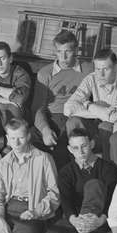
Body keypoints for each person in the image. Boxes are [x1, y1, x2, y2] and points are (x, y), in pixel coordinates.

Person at [33, 30, 92, 166]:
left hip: (77, 116)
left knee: (63, 146)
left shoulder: (89, 69)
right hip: (52, 116)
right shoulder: (45, 73)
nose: (63, 57)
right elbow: (37, 108)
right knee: (30, 139)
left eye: (68, 51)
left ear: (76, 50)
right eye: (59, 52)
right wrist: (45, 130)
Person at [64, 48, 117, 158]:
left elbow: (114, 118)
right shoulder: (91, 78)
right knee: (73, 121)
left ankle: (107, 169)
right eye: (97, 69)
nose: (100, 74)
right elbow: (68, 108)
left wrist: (88, 105)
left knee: (106, 125)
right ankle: (79, 164)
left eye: (105, 69)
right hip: (96, 125)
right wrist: (101, 111)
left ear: (116, 67)